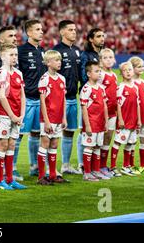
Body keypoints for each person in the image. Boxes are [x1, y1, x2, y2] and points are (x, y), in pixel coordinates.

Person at [0, 43, 27, 190]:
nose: (14, 57)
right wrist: (12, 115)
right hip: (4, 115)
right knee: (3, 145)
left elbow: (22, 95)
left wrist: (22, 114)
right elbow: (1, 96)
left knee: (12, 144)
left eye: (15, 55)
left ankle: (10, 179)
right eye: (11, 55)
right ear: (2, 56)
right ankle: (0, 181)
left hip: (16, 116)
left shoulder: (18, 73)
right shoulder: (1, 72)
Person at [53, 20, 82, 175]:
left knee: (70, 131)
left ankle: (65, 165)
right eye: (70, 29)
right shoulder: (56, 51)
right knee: (52, 133)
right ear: (62, 32)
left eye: (75, 29)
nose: (74, 32)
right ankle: (47, 168)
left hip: (73, 97)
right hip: (59, 99)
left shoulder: (77, 51)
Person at [17, 20, 46, 178]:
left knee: (36, 134)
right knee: (19, 135)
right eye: (37, 29)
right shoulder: (20, 51)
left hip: (40, 99)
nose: (41, 32)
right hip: (26, 99)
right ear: (29, 33)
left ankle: (34, 166)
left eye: (41, 29)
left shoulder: (42, 51)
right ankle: (12, 169)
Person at [37, 50, 67, 185]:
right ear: (48, 63)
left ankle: (53, 174)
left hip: (58, 118)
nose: (59, 62)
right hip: (47, 119)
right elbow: (42, 101)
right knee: (45, 144)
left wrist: (64, 118)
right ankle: (42, 176)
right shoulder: (44, 79)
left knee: (54, 144)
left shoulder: (62, 79)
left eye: (60, 60)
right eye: (56, 60)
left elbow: (63, 99)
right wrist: (47, 121)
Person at [79, 61, 109, 182]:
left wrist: (106, 121)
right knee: (89, 147)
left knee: (97, 146)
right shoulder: (86, 89)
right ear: (89, 74)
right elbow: (84, 108)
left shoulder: (101, 88)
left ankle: (96, 171)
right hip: (91, 123)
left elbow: (105, 106)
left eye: (100, 71)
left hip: (100, 123)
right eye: (96, 71)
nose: (99, 73)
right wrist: (87, 125)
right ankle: (86, 173)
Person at [110, 62, 141, 177]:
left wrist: (138, 120)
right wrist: (120, 120)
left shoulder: (135, 87)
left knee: (130, 143)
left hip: (133, 121)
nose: (128, 72)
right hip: (124, 121)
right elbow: (117, 105)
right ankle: (112, 167)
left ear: (133, 72)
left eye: (130, 69)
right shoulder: (121, 87)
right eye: (125, 70)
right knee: (118, 142)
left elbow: (138, 104)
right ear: (121, 73)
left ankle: (126, 166)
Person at [97, 48, 117, 177]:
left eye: (110, 57)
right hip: (102, 112)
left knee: (108, 138)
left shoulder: (114, 75)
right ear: (100, 61)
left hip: (113, 112)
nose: (108, 60)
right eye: (105, 57)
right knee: (99, 139)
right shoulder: (101, 75)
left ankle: (103, 166)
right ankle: (96, 167)